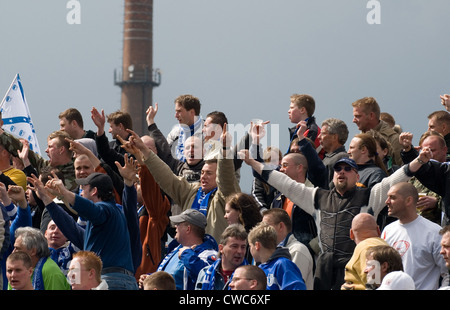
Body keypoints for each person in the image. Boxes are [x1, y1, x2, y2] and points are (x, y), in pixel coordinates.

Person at [240, 125, 427, 290]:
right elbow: (284, 183)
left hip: (357, 266)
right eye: (338, 169)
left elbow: (395, 180)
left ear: (357, 176)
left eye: (347, 169)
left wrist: (419, 160)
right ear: (333, 175)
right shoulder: (317, 196)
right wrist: (252, 162)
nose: (341, 172)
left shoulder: (370, 195)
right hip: (325, 269)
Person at [125, 126, 239, 241]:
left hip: (214, 255)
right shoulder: (191, 192)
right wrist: (144, 150)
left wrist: (224, 150)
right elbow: (166, 177)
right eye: (202, 172)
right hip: (188, 254)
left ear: (218, 177)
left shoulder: (225, 197)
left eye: (209, 173)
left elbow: (226, 178)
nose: (203, 176)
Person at [27, 172, 138, 290]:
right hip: (117, 280)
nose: (80, 192)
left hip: (111, 282)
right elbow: (71, 229)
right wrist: (46, 198)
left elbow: (91, 209)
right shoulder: (103, 222)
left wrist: (65, 192)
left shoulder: (107, 209)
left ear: (94, 191)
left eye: (83, 188)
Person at [381, 182, 449, 290]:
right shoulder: (387, 230)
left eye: (392, 198)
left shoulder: (434, 232)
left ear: (408, 200)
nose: (387, 202)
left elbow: (447, 272)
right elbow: (377, 266)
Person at [151, 209, 218, 290]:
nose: (175, 226)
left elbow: (207, 277)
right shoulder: (176, 249)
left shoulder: (208, 254)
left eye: (178, 223)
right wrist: (151, 279)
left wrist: (186, 255)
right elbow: (169, 276)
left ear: (188, 229)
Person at [0, 128, 77, 191]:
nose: (46, 150)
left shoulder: (78, 172)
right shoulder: (47, 167)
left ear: (61, 150)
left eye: (50, 147)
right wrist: (1, 134)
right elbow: (23, 151)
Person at [400, 131, 446, 224]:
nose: (428, 154)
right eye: (424, 151)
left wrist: (437, 203)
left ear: (444, 150)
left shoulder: (446, 172)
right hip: (414, 228)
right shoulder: (414, 175)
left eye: (432, 150)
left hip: (439, 229)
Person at [262, 208, 314, 290]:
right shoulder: (267, 252)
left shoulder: (298, 250)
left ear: (280, 226)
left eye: (266, 226)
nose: (262, 231)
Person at [247, 221, 306, 290]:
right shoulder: (260, 269)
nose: (250, 250)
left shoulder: (283, 264)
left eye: (250, 246)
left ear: (257, 245)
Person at [341, 213, 389, 290]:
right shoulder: (386, 246)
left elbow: (374, 284)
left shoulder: (366, 249)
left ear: (351, 234)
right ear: (378, 230)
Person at [351, 96, 403, 166]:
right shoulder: (358, 140)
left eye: (358, 116)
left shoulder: (393, 139)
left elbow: (404, 170)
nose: (353, 120)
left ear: (371, 115)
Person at [196, 224, 248, 290]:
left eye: (243, 247)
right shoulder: (205, 273)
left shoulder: (251, 276)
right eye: (234, 246)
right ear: (221, 248)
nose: (240, 251)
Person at [166, 95, 204, 162]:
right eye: (176, 111)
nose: (176, 116)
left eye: (179, 111)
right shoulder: (175, 132)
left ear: (192, 112)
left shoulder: (208, 132)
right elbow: (165, 155)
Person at [317, 118, 349, 187]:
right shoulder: (327, 157)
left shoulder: (342, 157)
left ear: (334, 137)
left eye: (323, 133)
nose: (319, 137)